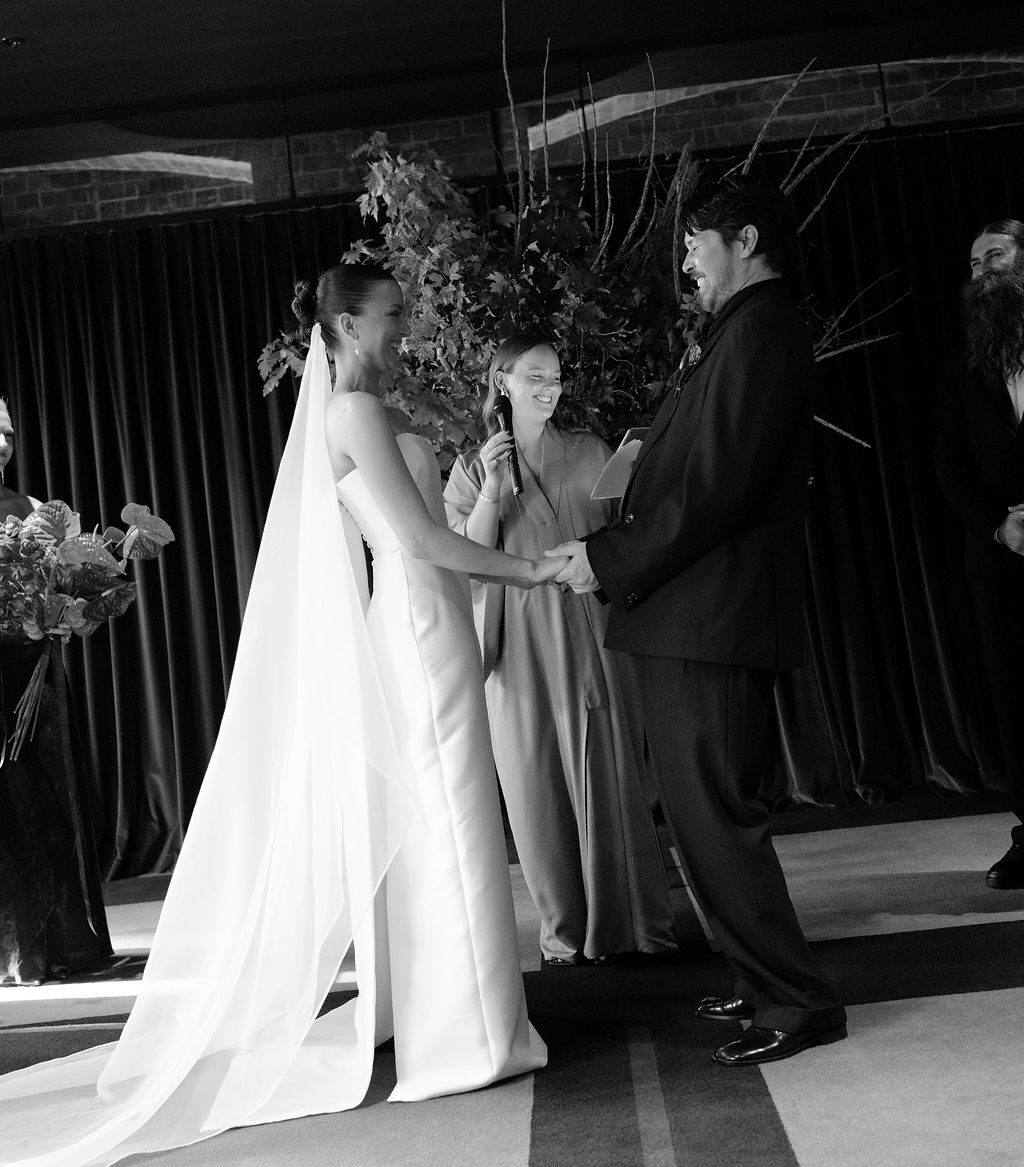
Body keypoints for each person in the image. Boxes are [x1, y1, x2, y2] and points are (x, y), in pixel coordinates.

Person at [0, 264, 555, 1165]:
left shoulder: (370, 404)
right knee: (448, 823)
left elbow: (439, 537)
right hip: (417, 624)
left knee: (454, 823)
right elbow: (417, 542)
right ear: (343, 323)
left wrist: (496, 516)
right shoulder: (353, 413)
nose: (403, 327)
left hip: (435, 617)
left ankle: (476, 1017)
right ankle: (466, 1036)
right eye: (391, 314)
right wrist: (534, 572)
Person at [549, 177, 847, 1067]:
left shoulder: (760, 330)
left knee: (716, 813)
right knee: (695, 811)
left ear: (744, 239)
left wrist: (606, 558)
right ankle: (759, 976)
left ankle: (796, 998)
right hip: (691, 617)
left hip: (712, 617)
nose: (684, 258)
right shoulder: (739, 331)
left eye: (694, 241)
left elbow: (716, 489)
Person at [443, 335, 676, 966]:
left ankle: (633, 919)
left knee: (611, 763)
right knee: (532, 774)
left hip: (592, 622)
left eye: (556, 378)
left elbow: (626, 531)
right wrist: (493, 485)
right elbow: (469, 556)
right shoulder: (471, 466)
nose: (550, 388)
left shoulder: (592, 451)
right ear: (503, 382)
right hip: (517, 633)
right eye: (536, 377)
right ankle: (565, 929)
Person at [0, 397, 115, 987]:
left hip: (37, 679)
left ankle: (66, 941)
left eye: (7, 432)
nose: (2, 443)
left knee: (50, 802)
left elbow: (71, 592)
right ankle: (18, 952)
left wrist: (67, 617)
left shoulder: (35, 511)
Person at [934, 218, 1024, 890]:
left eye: (997, 254)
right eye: (975, 261)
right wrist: (999, 525)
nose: (984, 269)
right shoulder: (961, 367)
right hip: (998, 558)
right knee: (1016, 702)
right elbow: (948, 464)